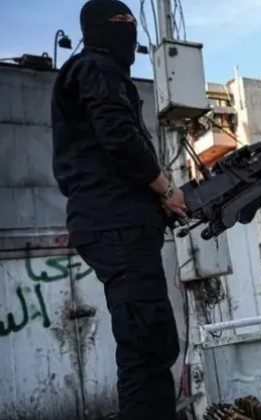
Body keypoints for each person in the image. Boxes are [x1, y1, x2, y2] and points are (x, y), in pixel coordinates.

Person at [51, 1, 186, 419]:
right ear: (98, 29)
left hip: (115, 223)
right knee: (146, 347)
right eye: (122, 22)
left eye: (131, 22)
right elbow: (119, 137)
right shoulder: (96, 67)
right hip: (116, 224)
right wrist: (166, 190)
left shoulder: (92, 71)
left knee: (151, 343)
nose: (130, 30)